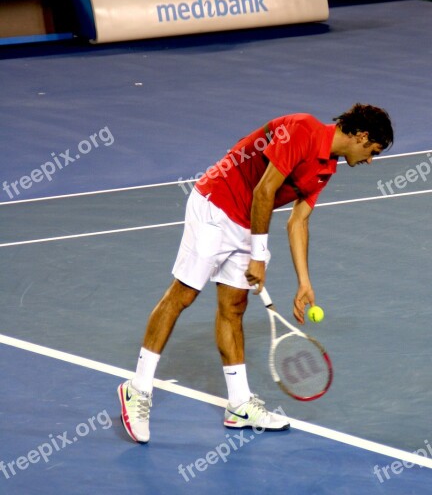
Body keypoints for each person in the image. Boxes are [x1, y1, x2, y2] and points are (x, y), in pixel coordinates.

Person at [118, 104, 394, 444]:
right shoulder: (302, 129)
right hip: (215, 206)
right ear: (362, 137)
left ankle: (238, 405)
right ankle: (138, 388)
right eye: (373, 152)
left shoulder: (327, 168)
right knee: (184, 294)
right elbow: (264, 191)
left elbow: (298, 221)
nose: (370, 160)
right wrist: (259, 256)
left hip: (246, 221)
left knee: (233, 307)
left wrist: (304, 282)